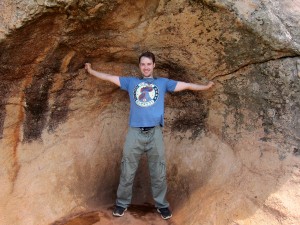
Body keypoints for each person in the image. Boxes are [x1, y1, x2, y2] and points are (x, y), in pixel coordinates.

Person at [85, 51, 214, 220]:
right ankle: (121, 204)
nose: (146, 67)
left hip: (155, 133)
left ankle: (162, 205)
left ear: (154, 65)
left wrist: (205, 86)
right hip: (135, 132)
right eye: (143, 64)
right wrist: (91, 71)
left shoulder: (162, 83)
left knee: (158, 170)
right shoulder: (131, 82)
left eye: (149, 64)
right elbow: (109, 77)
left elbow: (187, 85)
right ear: (140, 66)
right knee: (127, 169)